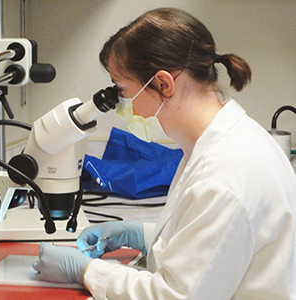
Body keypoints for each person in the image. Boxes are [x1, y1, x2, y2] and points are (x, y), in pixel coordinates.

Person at [32, 7, 296, 299]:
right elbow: (215, 248)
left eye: (123, 91)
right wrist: (143, 235)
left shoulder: (224, 173)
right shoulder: (225, 142)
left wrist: (85, 271)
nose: (124, 106)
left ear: (163, 84)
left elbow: (174, 296)